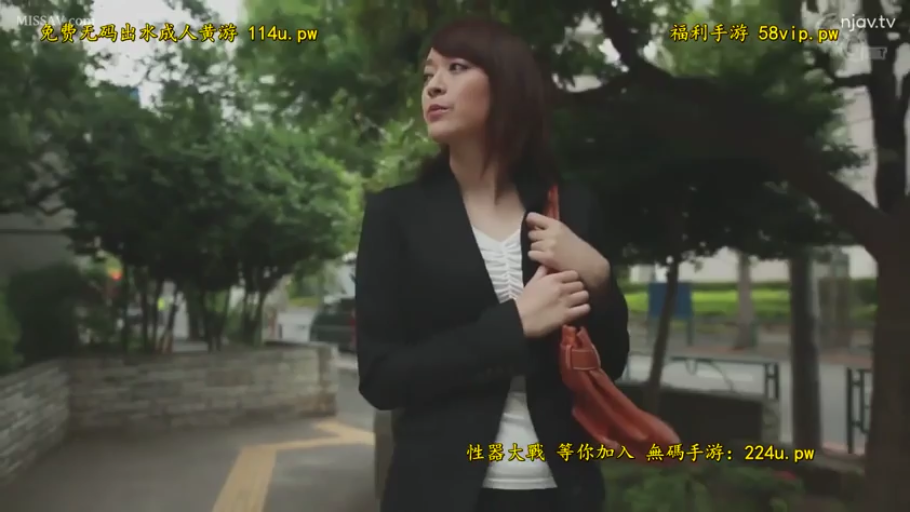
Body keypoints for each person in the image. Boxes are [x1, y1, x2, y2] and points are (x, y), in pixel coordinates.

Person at [355, 16, 630, 512]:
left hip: (562, 492)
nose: (434, 85)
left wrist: (599, 278)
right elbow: (382, 377)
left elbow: (609, 363)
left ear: (506, 84)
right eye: (429, 74)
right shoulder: (396, 215)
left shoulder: (570, 208)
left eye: (457, 68)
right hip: (439, 494)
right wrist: (513, 324)